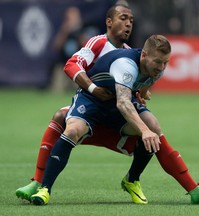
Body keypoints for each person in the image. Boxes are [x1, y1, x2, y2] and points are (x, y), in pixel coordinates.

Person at [30, 35, 199, 205]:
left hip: (116, 102)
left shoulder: (156, 68)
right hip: (94, 100)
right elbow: (123, 103)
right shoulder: (126, 65)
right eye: (158, 62)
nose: (162, 67)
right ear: (144, 55)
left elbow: (142, 85)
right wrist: (143, 130)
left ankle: (136, 180)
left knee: (154, 126)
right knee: (73, 130)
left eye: (166, 62)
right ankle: (44, 189)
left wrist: (144, 93)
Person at [15, 2, 134, 201]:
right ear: (109, 22)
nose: (129, 23)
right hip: (91, 106)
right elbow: (71, 64)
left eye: (131, 20)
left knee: (152, 132)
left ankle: (142, 180)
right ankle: (39, 183)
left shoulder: (130, 52)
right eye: (123, 19)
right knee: (61, 116)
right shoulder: (98, 42)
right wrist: (93, 88)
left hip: (113, 113)